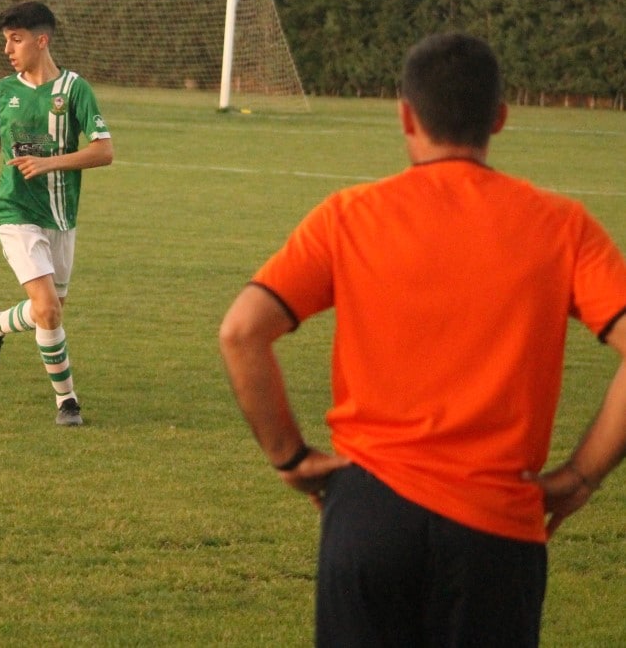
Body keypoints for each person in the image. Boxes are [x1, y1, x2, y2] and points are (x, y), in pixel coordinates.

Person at [218, 31, 626, 646]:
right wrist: (581, 476)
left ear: (405, 114)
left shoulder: (348, 215)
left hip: (368, 511)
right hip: (497, 524)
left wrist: (293, 458)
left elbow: (242, 331)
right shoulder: (562, 226)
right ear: (500, 118)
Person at [0, 1, 113, 426]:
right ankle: (67, 402)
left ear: (41, 40)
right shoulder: (3, 91)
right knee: (48, 309)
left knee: (50, 311)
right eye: (6, 41)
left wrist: (49, 162)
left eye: (16, 40)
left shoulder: (74, 90)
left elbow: (103, 150)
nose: (8, 49)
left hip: (61, 215)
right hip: (14, 210)